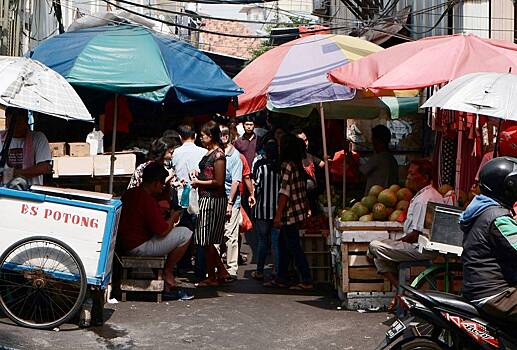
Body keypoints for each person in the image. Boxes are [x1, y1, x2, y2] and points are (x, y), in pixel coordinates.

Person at [367, 160, 444, 308]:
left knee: (374, 246)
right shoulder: (427, 194)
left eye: (412, 174)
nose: (408, 177)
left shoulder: (424, 199)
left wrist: (398, 243)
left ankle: (403, 292)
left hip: (420, 249)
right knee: (379, 258)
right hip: (420, 246)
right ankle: (401, 290)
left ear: (425, 177)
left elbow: (415, 234)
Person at [118, 162, 193, 293]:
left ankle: (166, 271)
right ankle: (168, 271)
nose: (162, 187)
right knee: (186, 233)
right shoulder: (146, 198)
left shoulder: (130, 193)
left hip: (127, 243)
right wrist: (172, 219)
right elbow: (162, 230)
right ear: (155, 183)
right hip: (139, 246)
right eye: (162, 184)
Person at [459, 157, 517, 326]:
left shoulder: (482, 209)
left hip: (479, 288)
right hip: (495, 294)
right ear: (507, 187)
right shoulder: (497, 218)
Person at [266, 134, 313, 290]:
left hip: (290, 213)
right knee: (284, 245)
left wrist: (278, 216)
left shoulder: (287, 165)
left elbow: (284, 192)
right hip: (297, 211)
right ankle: (281, 277)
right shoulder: (297, 164)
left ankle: (306, 280)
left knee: (293, 247)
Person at [191, 121, 231, 287]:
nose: (201, 138)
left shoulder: (218, 155)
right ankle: (219, 272)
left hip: (213, 200)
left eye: (204, 135)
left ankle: (216, 274)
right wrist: (197, 174)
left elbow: (218, 181)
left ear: (211, 135)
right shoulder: (210, 153)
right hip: (206, 198)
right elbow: (207, 174)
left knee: (205, 238)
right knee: (205, 238)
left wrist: (198, 182)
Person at [251, 139, 280, 281]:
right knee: (275, 242)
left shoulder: (261, 168)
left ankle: (260, 271)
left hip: (262, 210)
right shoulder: (281, 169)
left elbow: (257, 189)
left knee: (262, 242)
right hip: (277, 210)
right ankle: (277, 270)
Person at [0, 107, 51, 186]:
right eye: (11, 123)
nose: (15, 126)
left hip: (31, 193)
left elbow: (44, 167)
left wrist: (14, 173)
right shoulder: (0, 138)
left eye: (18, 122)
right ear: (6, 121)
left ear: (26, 121)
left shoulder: (38, 138)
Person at [220, 125, 243, 279]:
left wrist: (229, 203)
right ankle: (217, 266)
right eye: (221, 134)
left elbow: (236, 182)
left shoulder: (235, 156)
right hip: (216, 200)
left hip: (230, 201)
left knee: (230, 235)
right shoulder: (216, 154)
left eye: (226, 134)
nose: (224, 137)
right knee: (217, 235)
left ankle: (232, 268)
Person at [359, 124, 399, 194]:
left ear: (377, 140)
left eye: (373, 138)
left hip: (376, 199)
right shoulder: (392, 159)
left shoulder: (378, 158)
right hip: (388, 197)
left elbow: (360, 173)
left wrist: (349, 154)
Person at [172, 124, 208, 200]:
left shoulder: (174, 153)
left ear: (180, 137)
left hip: (181, 195)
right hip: (201, 196)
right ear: (195, 136)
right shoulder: (205, 152)